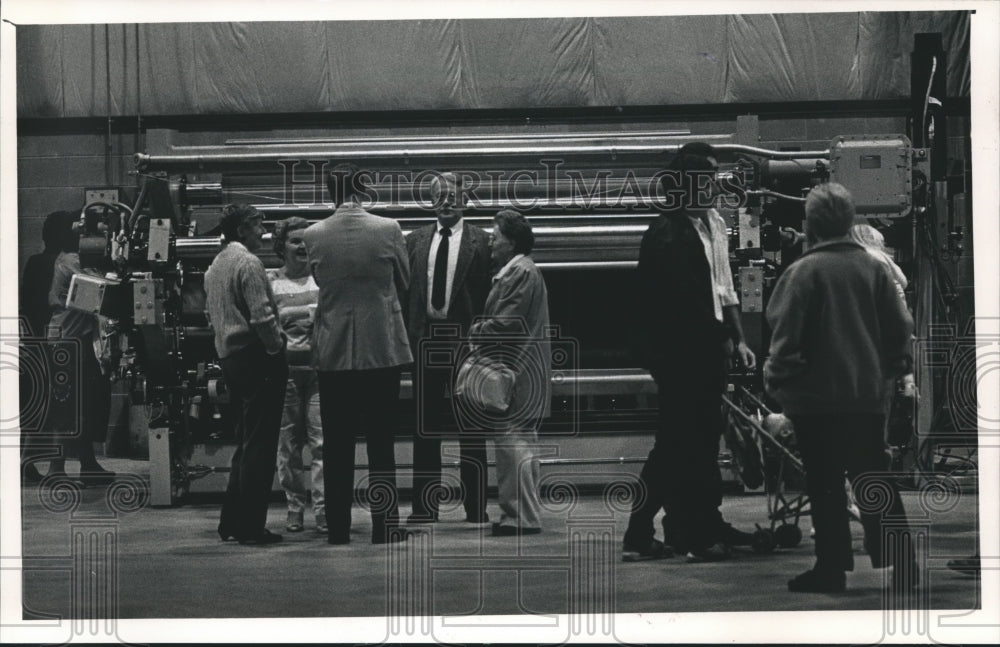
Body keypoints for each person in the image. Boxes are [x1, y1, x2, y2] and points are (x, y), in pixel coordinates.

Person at [764, 183, 916, 593]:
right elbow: (900, 329)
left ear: (810, 224)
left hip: (817, 403)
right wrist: (887, 373)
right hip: (867, 398)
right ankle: (903, 564)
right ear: (850, 221)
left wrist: (778, 383)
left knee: (826, 485)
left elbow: (786, 339)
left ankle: (831, 569)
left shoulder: (802, 273)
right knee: (874, 480)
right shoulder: (874, 268)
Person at [622, 142, 756, 563]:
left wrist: (739, 336)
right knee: (679, 445)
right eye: (703, 180)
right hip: (682, 357)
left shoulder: (714, 225)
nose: (712, 188)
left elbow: (724, 287)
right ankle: (646, 531)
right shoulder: (668, 233)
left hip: (705, 353)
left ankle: (694, 526)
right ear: (683, 185)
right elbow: (679, 305)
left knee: (698, 443)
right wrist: (720, 338)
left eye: (714, 179)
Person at [303, 164, 412, 545]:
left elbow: (318, 281)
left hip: (334, 351)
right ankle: (385, 526)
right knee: (381, 442)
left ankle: (337, 529)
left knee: (335, 444)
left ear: (329, 191)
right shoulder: (389, 228)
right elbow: (405, 279)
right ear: (364, 190)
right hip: (381, 347)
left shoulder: (312, 234)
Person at [405, 172, 492, 525]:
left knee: (472, 430)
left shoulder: (482, 242)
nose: (445, 202)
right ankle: (425, 509)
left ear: (465, 201)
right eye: (439, 196)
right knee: (424, 429)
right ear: (431, 201)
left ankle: (476, 509)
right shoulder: (414, 240)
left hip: (465, 341)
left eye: (452, 196)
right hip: (425, 340)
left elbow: (489, 296)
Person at [205, 203, 288, 546]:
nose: (263, 231)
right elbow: (263, 317)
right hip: (256, 358)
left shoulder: (215, 266)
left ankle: (231, 521)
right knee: (261, 446)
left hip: (230, 358)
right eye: (258, 225)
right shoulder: (249, 263)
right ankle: (252, 526)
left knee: (245, 442)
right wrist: (275, 347)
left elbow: (212, 318)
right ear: (241, 229)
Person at [468, 209, 551, 537]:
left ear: (512, 241)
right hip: (522, 369)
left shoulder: (518, 272)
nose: (491, 242)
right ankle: (523, 514)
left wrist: (475, 329)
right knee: (522, 444)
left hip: (514, 371)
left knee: (512, 442)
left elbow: (506, 324)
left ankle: (519, 517)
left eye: (496, 236)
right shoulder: (523, 270)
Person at [45, 210, 117, 486]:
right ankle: (55, 470)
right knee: (66, 407)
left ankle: (88, 464)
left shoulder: (79, 261)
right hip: (65, 343)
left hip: (80, 340)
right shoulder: (69, 262)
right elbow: (94, 292)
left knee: (85, 405)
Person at [268, 217, 325, 534]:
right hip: (286, 376)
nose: (302, 246)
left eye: (306, 240)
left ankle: (323, 511)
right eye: (295, 241)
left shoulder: (323, 281)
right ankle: (294, 508)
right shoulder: (272, 283)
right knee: (288, 446)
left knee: (322, 444)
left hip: (319, 375)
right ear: (282, 247)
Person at [19, 211, 68, 484]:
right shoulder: (60, 263)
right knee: (57, 403)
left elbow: (26, 302)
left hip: (35, 338)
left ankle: (28, 461)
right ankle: (51, 465)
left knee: (36, 403)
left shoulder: (35, 262)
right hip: (54, 339)